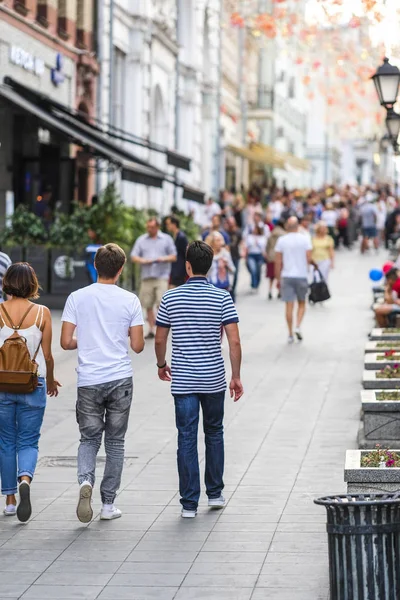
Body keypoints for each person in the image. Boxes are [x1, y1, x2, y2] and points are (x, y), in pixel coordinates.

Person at [155, 240, 243, 518]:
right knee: (214, 432)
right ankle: (215, 493)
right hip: (214, 379)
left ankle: (189, 503)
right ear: (211, 266)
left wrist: (161, 363)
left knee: (187, 437)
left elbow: (159, 338)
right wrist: (236, 376)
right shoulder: (222, 298)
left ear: (187, 266)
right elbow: (235, 342)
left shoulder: (171, 298)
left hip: (183, 380)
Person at [60, 244, 145, 523]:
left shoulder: (77, 297)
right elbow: (137, 345)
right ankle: (108, 505)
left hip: (89, 380)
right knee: (116, 443)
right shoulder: (130, 300)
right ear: (120, 269)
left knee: (88, 439)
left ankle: (85, 482)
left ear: (95, 265)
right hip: (119, 377)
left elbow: (65, 341)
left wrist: (84, 341)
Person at [0, 263, 60, 521]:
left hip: (3, 385)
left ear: (7, 283)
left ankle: (10, 500)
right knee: (28, 440)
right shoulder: (42, 313)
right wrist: (51, 381)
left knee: (5, 442)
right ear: (33, 283)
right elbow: (47, 355)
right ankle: (25, 478)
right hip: (33, 384)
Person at [131, 218, 177, 339]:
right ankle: (152, 329)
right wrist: (143, 261)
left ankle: (161, 328)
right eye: (148, 227)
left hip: (161, 275)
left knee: (161, 303)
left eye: (152, 227)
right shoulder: (141, 240)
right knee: (148, 304)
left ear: (157, 227)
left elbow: (174, 256)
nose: (149, 229)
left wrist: (162, 259)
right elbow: (133, 256)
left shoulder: (166, 239)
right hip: (147, 276)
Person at [275, 217, 313, 344]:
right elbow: (308, 257)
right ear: (298, 226)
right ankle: (298, 325)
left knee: (289, 305)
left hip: (287, 275)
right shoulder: (305, 239)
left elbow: (278, 260)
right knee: (302, 303)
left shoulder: (282, 240)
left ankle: (290, 333)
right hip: (301, 275)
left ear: (287, 226)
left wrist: (277, 278)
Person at [244, 223, 268, 292]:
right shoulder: (250, 237)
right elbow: (247, 247)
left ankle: (257, 284)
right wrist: (245, 255)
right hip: (251, 255)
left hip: (259, 255)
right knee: (253, 269)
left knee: (258, 270)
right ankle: (253, 284)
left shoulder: (262, 237)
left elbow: (263, 248)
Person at [165, 216, 188, 288]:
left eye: (168, 224)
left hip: (180, 272)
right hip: (175, 271)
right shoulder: (174, 236)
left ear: (174, 224)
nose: (167, 226)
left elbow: (186, 253)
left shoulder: (181, 237)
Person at [265, 220, 286, 300]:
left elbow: (267, 246)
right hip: (280, 256)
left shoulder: (271, 234)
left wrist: (267, 254)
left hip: (271, 255)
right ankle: (279, 291)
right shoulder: (284, 234)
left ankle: (270, 291)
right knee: (279, 275)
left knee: (271, 276)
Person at [225, 217, 242, 302]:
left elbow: (241, 242)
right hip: (228, 256)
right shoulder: (226, 233)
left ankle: (233, 291)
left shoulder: (238, 232)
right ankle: (230, 291)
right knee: (229, 276)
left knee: (235, 274)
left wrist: (243, 251)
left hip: (235, 256)